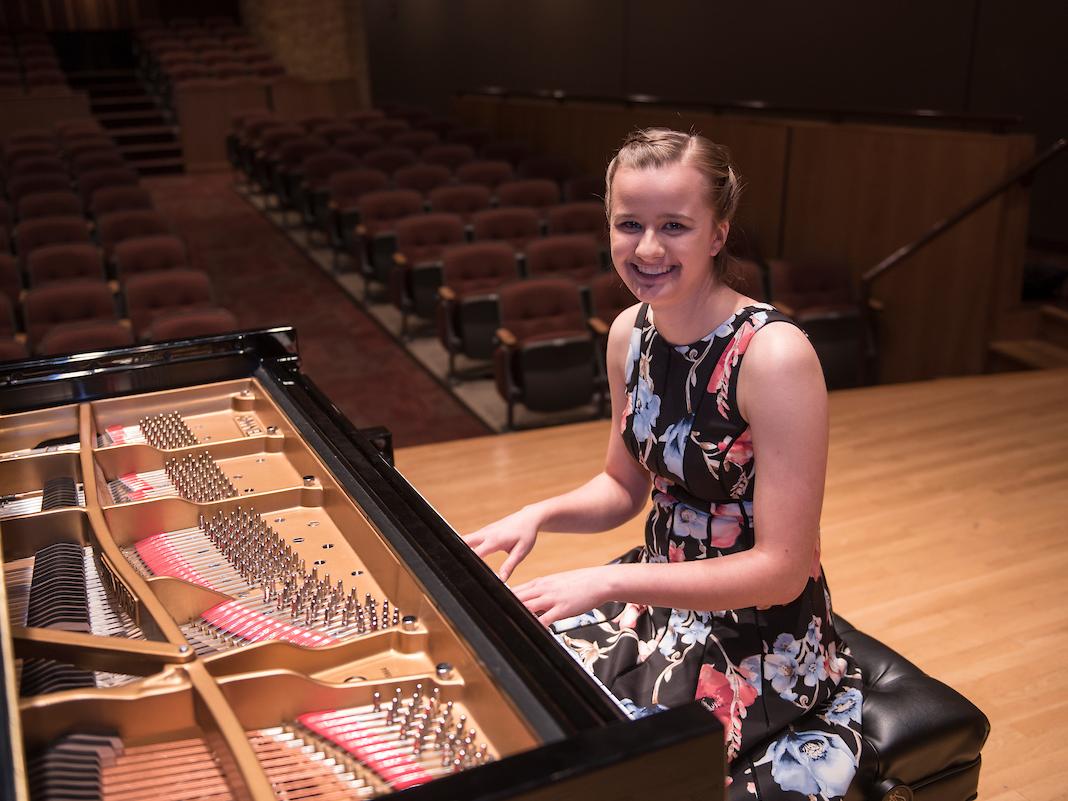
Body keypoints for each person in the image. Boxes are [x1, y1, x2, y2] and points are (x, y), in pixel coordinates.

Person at [464, 128, 864, 800]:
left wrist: (609, 585)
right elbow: (622, 486)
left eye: (674, 225)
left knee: (626, 773)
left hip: (758, 630)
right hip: (654, 595)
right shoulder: (629, 333)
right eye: (630, 224)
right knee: (512, 697)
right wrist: (539, 514)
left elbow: (783, 567)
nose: (648, 249)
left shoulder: (774, 356)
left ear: (717, 233)